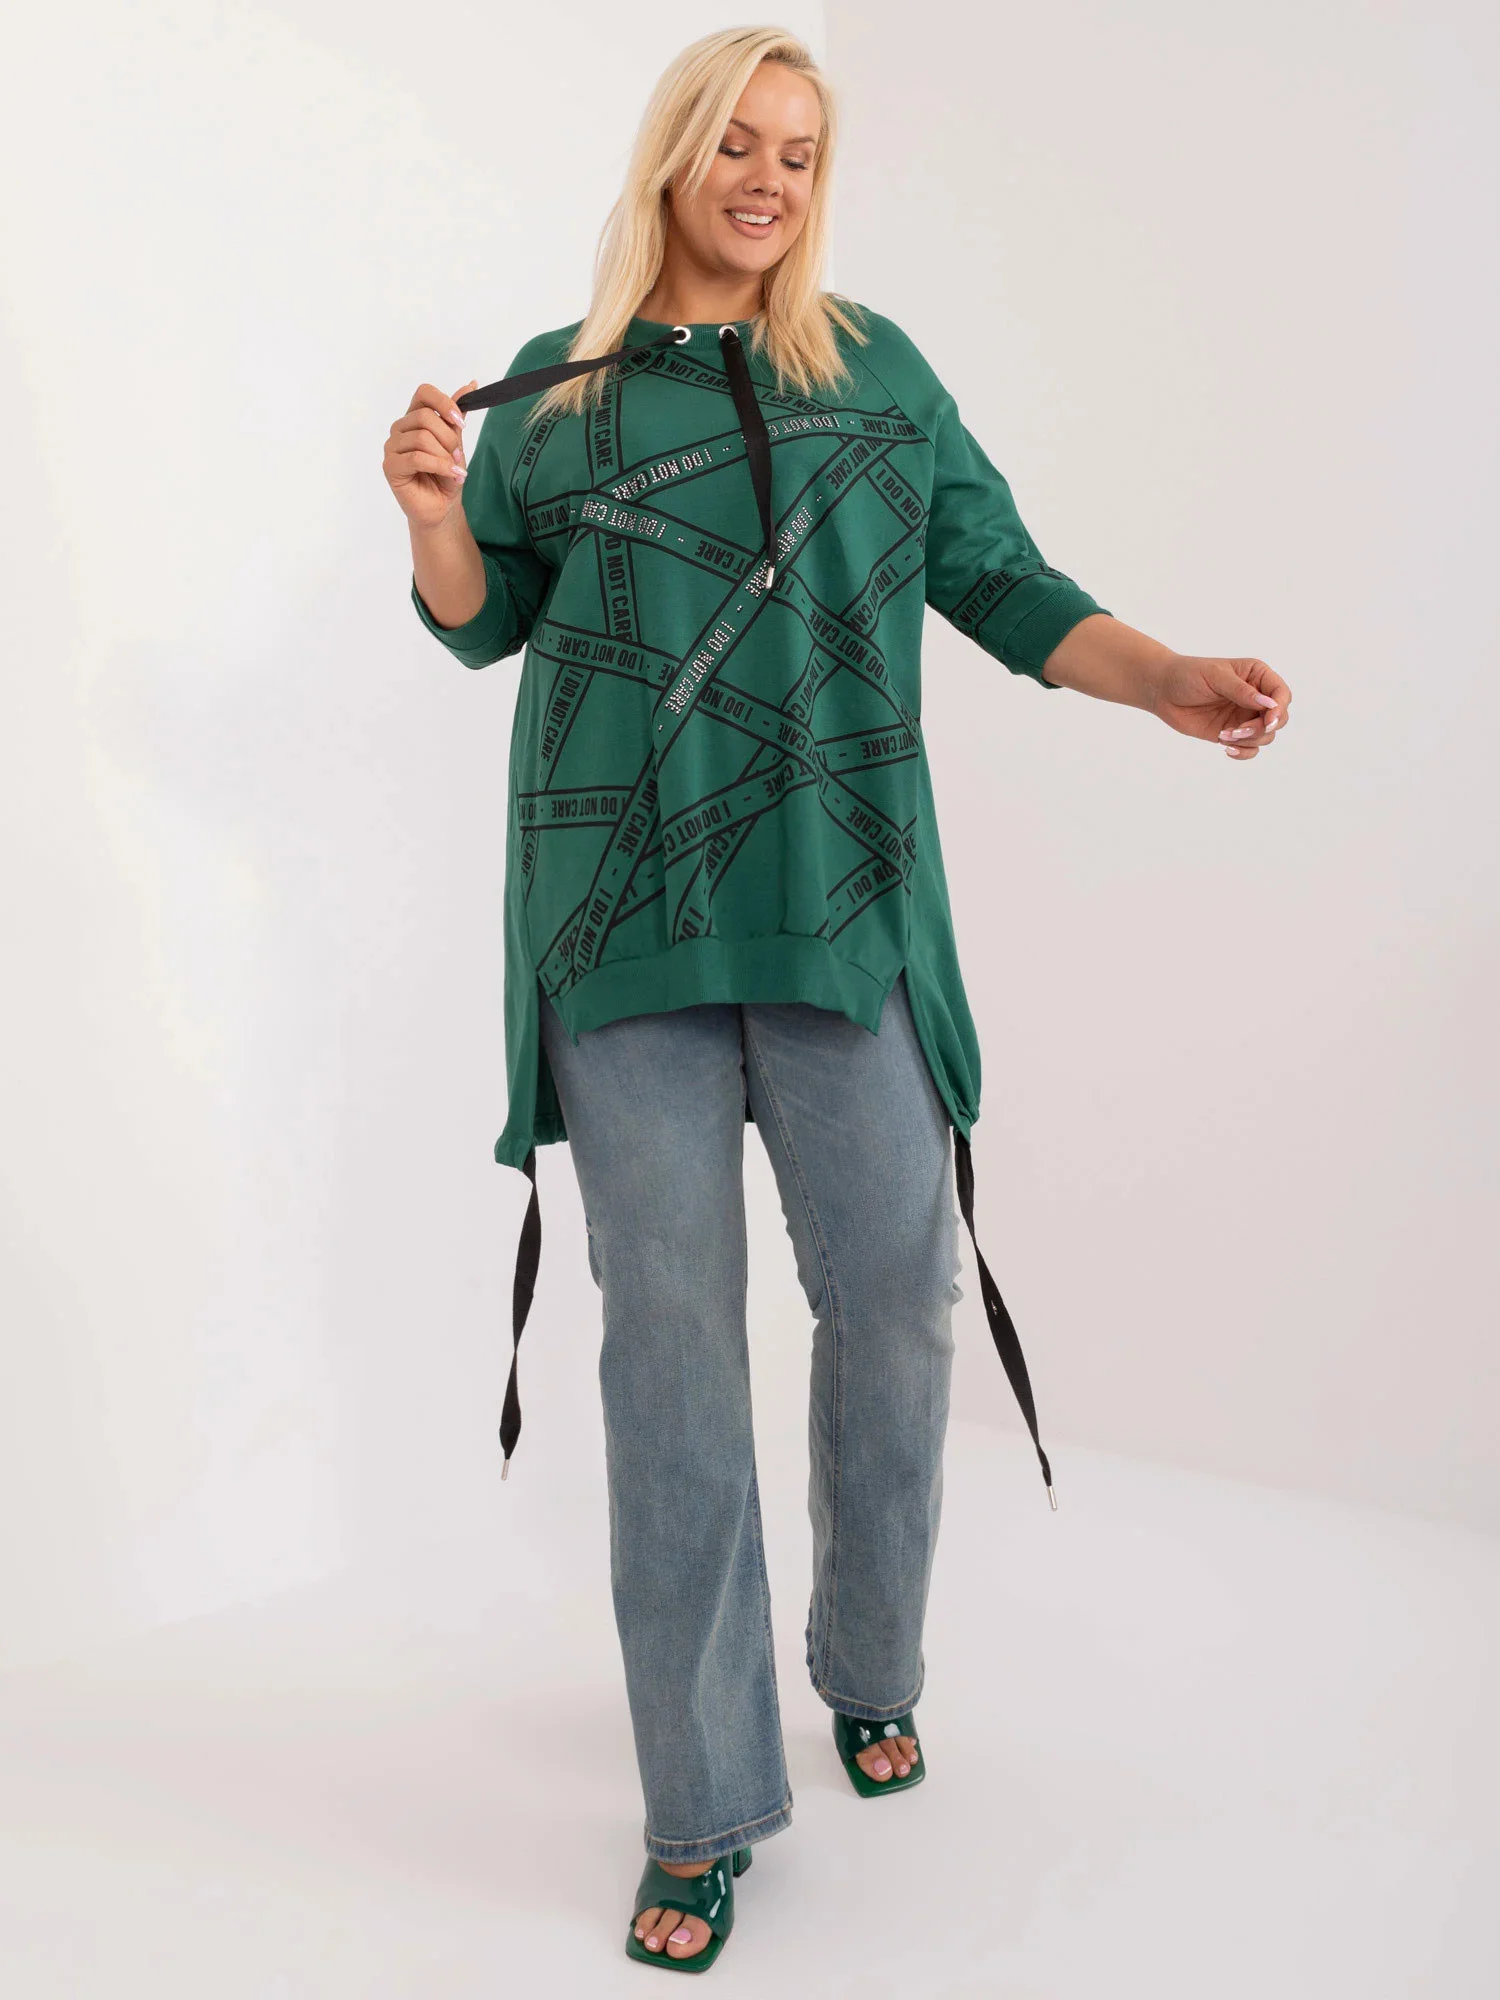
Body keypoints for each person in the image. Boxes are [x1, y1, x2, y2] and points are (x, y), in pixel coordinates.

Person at [382, 24, 1292, 1972]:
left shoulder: (873, 375)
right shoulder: (556, 387)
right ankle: (703, 1806)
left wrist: (1168, 677)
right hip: (622, 933)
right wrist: (437, 514)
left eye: (799, 152)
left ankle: (869, 1661)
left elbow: (1006, 583)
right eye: (740, 142)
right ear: (675, 158)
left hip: (842, 916)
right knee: (670, 1357)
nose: (769, 179)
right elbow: (484, 622)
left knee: (896, 1294)